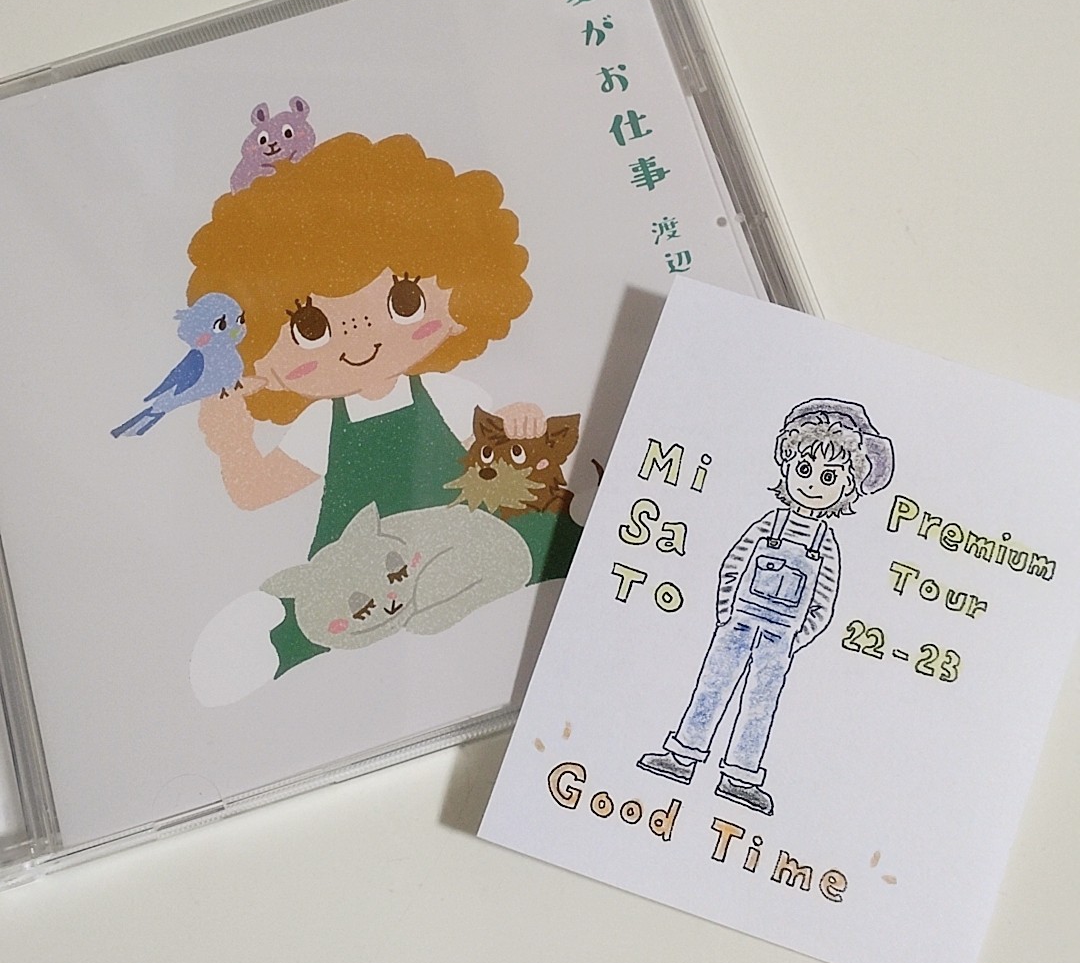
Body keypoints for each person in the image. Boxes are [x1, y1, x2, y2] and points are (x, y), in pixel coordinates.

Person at [187, 132, 580, 696]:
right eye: (311, 327)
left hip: (462, 542)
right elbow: (255, 490)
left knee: (538, 539)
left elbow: (500, 444)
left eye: (402, 300)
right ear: (260, 353)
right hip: (362, 575)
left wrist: (522, 418)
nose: (359, 334)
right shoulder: (322, 423)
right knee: (326, 611)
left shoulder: (443, 392)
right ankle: (270, 638)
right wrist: (232, 440)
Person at [637, 398, 894, 815]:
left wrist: (795, 638)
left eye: (829, 476)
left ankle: (739, 776)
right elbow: (733, 565)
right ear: (787, 466)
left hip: (780, 639)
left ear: (847, 488)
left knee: (760, 704)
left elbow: (823, 601)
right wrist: (726, 612)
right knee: (712, 687)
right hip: (737, 625)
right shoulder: (768, 524)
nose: (813, 484)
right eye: (804, 469)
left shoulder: (826, 544)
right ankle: (682, 756)